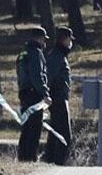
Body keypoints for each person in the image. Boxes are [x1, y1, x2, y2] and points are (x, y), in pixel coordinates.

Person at [17, 26, 51, 162]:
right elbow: (37, 76)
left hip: (24, 94)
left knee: (26, 128)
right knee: (34, 128)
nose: (45, 42)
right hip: (34, 95)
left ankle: (23, 157)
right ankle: (31, 158)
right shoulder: (36, 53)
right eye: (44, 39)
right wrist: (45, 93)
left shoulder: (22, 53)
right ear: (39, 38)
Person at [43, 26, 74, 166]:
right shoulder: (56, 56)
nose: (70, 43)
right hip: (58, 100)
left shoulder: (59, 55)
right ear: (65, 39)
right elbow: (49, 77)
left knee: (55, 133)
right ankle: (58, 164)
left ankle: (48, 161)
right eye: (69, 40)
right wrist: (45, 95)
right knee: (64, 136)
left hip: (59, 99)